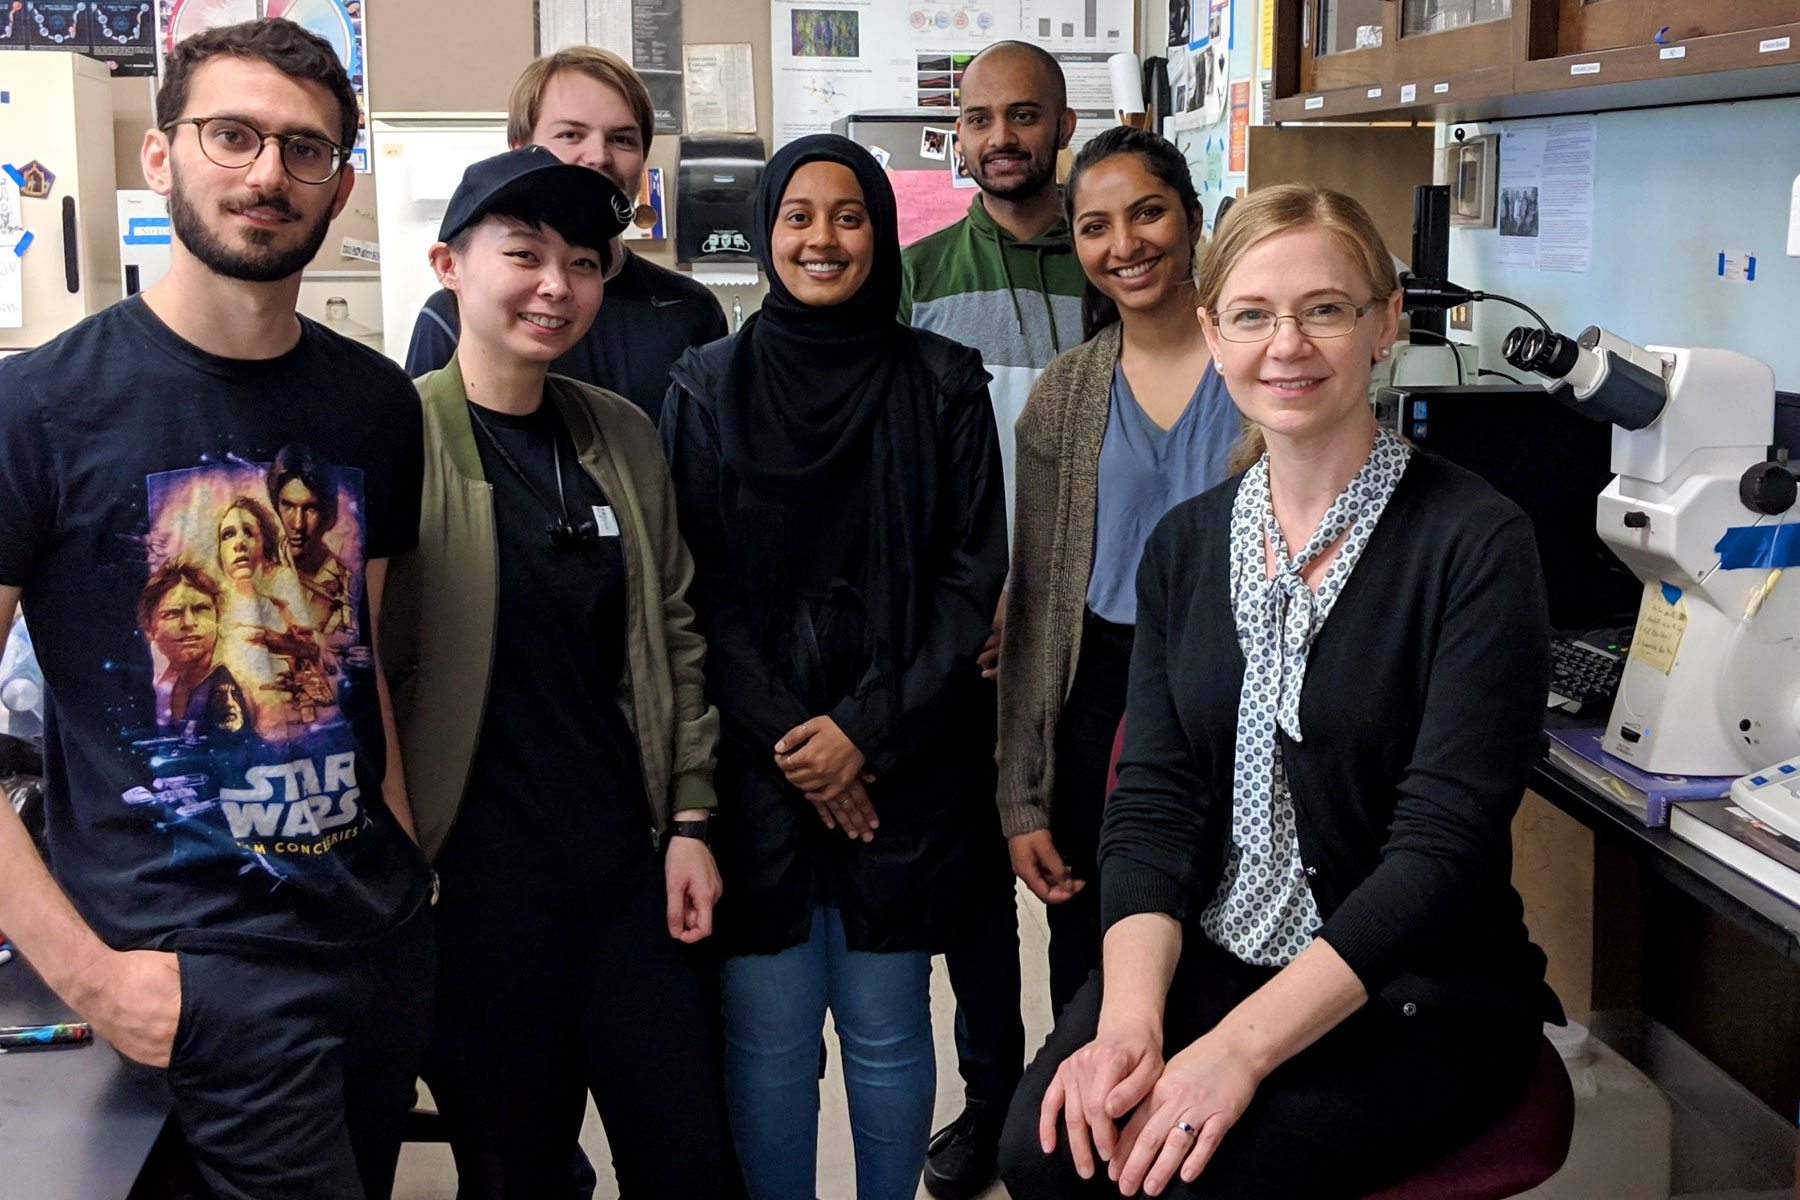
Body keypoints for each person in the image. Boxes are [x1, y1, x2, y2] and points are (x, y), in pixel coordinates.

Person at [997, 183, 1560, 1199]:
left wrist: (1239, 1052)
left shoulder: (1476, 543)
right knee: (1046, 1154)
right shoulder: (1188, 546)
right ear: (1213, 332)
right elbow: (1156, 804)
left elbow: (1443, 853)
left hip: (1410, 986)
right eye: (1253, 314)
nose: (1286, 344)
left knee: (1182, 1178)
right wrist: (1131, 1022)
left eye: (1326, 308)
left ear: (1385, 324)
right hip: (1218, 946)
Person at [0, 19, 431, 1200]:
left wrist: (408, 888)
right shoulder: (34, 409)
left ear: (342, 183)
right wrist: (89, 977)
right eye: (231, 134)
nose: (265, 174)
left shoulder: (378, 406)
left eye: (304, 149)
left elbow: (361, 663)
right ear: (161, 155)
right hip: (194, 970)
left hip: (373, 944)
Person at [381, 145, 734, 1199]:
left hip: (624, 872)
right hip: (475, 893)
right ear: (450, 263)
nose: (555, 286)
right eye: (524, 254)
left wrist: (690, 820)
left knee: (689, 1159)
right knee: (518, 1170)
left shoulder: (616, 432)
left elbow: (673, 626)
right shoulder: (398, 435)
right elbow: (356, 673)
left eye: (583, 262)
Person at [661, 133, 1008, 1200]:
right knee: (767, 1035)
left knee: (888, 1024)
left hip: (904, 750)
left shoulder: (944, 381)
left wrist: (864, 730)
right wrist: (799, 743)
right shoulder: (706, 386)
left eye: (848, 215)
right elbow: (697, 589)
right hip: (759, 757)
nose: (823, 237)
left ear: (882, 231)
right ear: (767, 234)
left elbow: (970, 577)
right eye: (798, 216)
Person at [898, 40, 1086, 1197]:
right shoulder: (915, 275)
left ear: (1064, 125)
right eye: (979, 119)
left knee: (1085, 876)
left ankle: (1087, 1081)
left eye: (1024, 115)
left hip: (1099, 632)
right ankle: (993, 1096)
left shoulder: (1119, 256)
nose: (1001, 137)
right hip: (969, 637)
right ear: (956, 138)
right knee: (973, 893)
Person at [999, 126, 1238, 1024]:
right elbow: (1034, 610)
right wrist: (1022, 793)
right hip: (1102, 689)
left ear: (1191, 218)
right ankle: (1090, 1150)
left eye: (1147, 213)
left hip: (1241, 684)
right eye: (1096, 226)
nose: (1125, 244)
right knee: (1095, 954)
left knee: (1224, 936)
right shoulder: (1064, 396)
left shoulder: (1260, 367)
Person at [404, 46, 726, 423]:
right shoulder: (458, 314)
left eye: (622, 139)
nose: (598, 156)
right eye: (571, 134)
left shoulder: (688, 309)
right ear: (518, 150)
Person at [268, 444, 356, 635]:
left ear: (326, 513)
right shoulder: (259, 562)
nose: (298, 524)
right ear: (276, 506)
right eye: (289, 506)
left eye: (310, 509)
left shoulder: (346, 582)